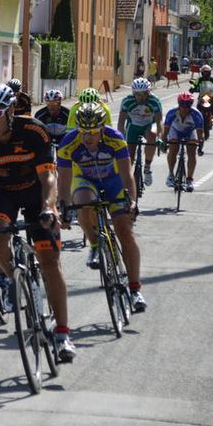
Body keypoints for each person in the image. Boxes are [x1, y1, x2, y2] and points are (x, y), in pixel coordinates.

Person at [0, 83, 76, 362]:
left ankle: (62, 333)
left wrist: (50, 207)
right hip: (4, 194)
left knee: (49, 260)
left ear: (11, 110)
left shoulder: (34, 131)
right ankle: (15, 279)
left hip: (36, 192)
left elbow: (49, 177)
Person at [56, 103, 147, 312]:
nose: (88, 137)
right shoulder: (68, 144)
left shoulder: (115, 138)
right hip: (85, 180)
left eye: (93, 132)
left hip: (113, 181)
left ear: (102, 129)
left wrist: (132, 201)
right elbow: (63, 182)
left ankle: (135, 289)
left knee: (125, 231)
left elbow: (127, 174)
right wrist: (64, 209)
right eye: (83, 132)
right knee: (82, 201)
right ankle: (95, 244)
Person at [117, 77, 164, 186]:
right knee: (130, 156)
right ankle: (127, 181)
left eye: (143, 94)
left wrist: (160, 137)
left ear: (148, 92)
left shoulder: (154, 101)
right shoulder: (127, 101)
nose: (140, 97)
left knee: (152, 136)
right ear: (133, 93)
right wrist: (121, 139)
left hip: (148, 126)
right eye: (137, 94)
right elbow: (120, 123)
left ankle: (147, 167)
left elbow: (159, 122)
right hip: (133, 126)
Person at [163, 91, 204, 192]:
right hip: (175, 130)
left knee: (192, 152)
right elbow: (165, 131)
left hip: (190, 131)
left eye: (188, 106)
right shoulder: (172, 113)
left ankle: (189, 180)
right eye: (182, 105)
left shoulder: (197, 114)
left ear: (191, 105)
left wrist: (200, 145)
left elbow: (200, 134)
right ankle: (171, 174)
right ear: (179, 104)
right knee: (173, 148)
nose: (185, 108)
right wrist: (163, 142)